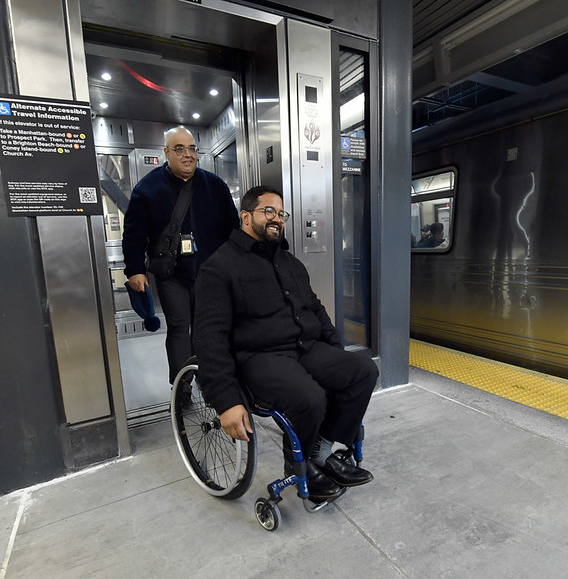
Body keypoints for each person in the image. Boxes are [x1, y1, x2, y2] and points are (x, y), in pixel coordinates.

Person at [193, 185, 379, 501]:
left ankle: (321, 448)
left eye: (282, 213)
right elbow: (209, 336)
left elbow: (316, 310)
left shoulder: (290, 263)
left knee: (363, 370)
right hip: (259, 356)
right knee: (310, 398)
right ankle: (299, 465)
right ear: (246, 216)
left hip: (304, 347)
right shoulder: (219, 267)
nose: (277, 218)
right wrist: (225, 400)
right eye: (269, 211)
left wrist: (335, 352)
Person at [122, 127, 240, 385]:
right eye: (179, 149)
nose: (188, 155)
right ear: (167, 152)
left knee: (208, 330)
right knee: (178, 329)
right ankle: (181, 389)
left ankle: (210, 383)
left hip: (211, 274)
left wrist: (238, 264)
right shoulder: (148, 189)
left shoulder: (215, 185)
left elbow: (233, 228)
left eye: (192, 149)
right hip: (172, 275)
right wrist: (134, 270)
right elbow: (134, 233)